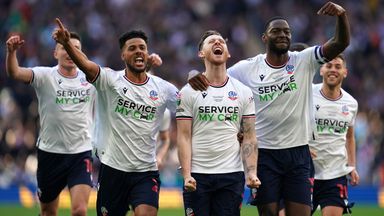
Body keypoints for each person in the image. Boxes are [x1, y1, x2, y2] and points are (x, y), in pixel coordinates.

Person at [189, 2, 350, 215]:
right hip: (264, 155)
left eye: (287, 31)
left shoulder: (304, 60)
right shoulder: (248, 68)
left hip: (298, 154)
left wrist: (341, 16)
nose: (283, 34)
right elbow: (216, 76)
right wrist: (193, 74)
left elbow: (340, 43)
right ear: (265, 38)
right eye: (276, 31)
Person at [52, 18, 178, 216]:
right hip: (113, 170)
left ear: (147, 53)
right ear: (123, 55)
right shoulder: (110, 81)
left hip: (145, 172)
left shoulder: (164, 88)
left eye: (142, 47)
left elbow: (191, 107)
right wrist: (67, 43)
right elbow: (86, 65)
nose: (138, 51)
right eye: (132, 48)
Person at [6, 33, 96, 216]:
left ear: (82, 54)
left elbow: (122, 80)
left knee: (79, 210)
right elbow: (15, 72)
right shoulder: (44, 75)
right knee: (48, 212)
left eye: (76, 48)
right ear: (55, 53)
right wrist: (11, 53)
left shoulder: (92, 78)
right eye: (64, 47)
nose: (70, 51)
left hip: (80, 153)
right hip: (50, 154)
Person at [177, 30, 261, 216]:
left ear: (228, 53)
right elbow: (183, 136)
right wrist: (186, 175)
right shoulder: (188, 92)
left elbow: (249, 136)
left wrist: (252, 172)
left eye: (221, 41)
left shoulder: (243, 92)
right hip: (198, 175)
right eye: (211, 41)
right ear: (201, 53)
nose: (217, 43)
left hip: (231, 175)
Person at [310, 54, 359, 215]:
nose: (333, 70)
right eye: (329, 66)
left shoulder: (351, 103)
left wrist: (352, 166)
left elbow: (350, 137)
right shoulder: (308, 94)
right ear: (322, 69)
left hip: (335, 174)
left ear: (345, 72)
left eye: (338, 66)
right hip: (306, 171)